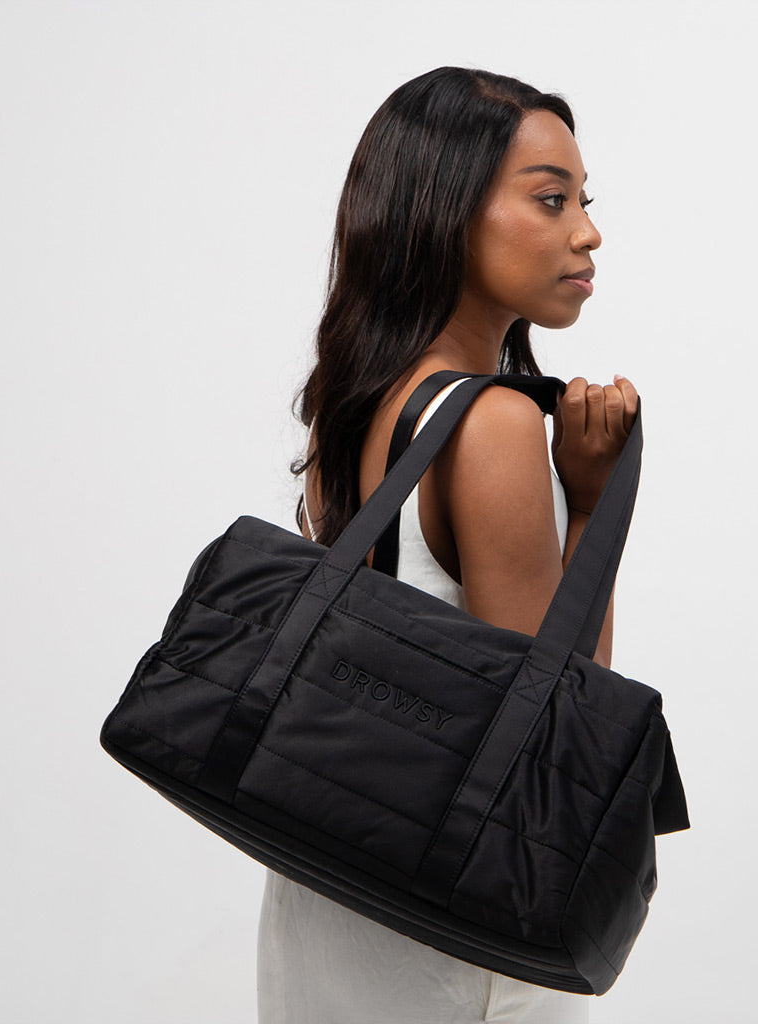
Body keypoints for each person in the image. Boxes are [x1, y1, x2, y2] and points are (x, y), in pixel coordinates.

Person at [259, 66, 637, 1024]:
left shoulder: (352, 406)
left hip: (323, 887)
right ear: (446, 212)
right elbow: (556, 726)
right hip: (453, 921)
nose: (586, 232)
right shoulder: (493, 424)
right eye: (549, 200)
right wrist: (590, 508)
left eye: (583, 202)